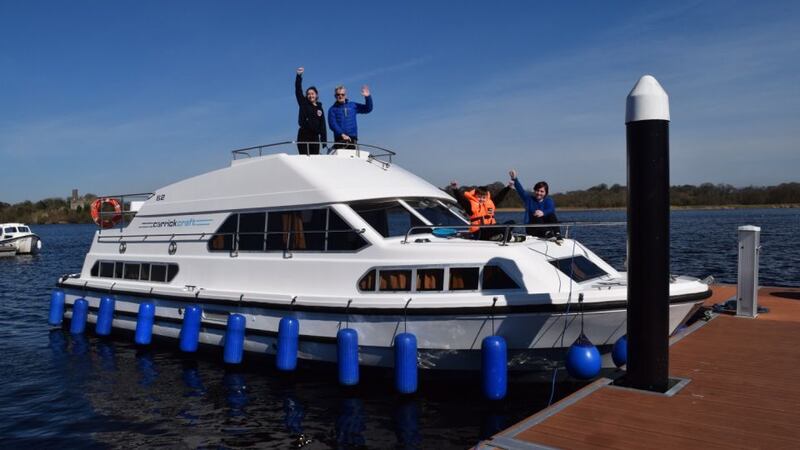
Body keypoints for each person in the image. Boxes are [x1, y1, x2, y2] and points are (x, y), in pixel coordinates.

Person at [508, 169, 560, 239]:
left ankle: (557, 234)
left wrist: (543, 213)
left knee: (551, 215)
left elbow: (551, 209)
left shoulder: (548, 200)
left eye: (542, 191)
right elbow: (521, 191)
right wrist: (514, 178)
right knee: (536, 215)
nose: (539, 193)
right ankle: (547, 233)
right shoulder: (529, 199)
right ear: (535, 190)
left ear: (546, 193)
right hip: (532, 228)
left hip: (546, 227)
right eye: (537, 190)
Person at [328, 84, 373, 149]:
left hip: (352, 138)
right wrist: (342, 134)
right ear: (335, 96)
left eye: (342, 94)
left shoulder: (353, 105)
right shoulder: (332, 109)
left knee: (352, 155)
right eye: (338, 94)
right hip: (339, 138)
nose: (340, 96)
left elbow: (368, 109)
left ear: (346, 95)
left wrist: (368, 97)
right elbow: (332, 124)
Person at [294, 67, 327, 155]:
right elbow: (298, 90)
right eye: (308, 94)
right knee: (305, 157)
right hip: (303, 135)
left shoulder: (320, 108)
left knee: (315, 158)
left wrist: (324, 141)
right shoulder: (303, 103)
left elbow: (323, 125)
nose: (310, 95)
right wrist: (299, 76)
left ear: (316, 95)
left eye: (312, 94)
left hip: (315, 137)